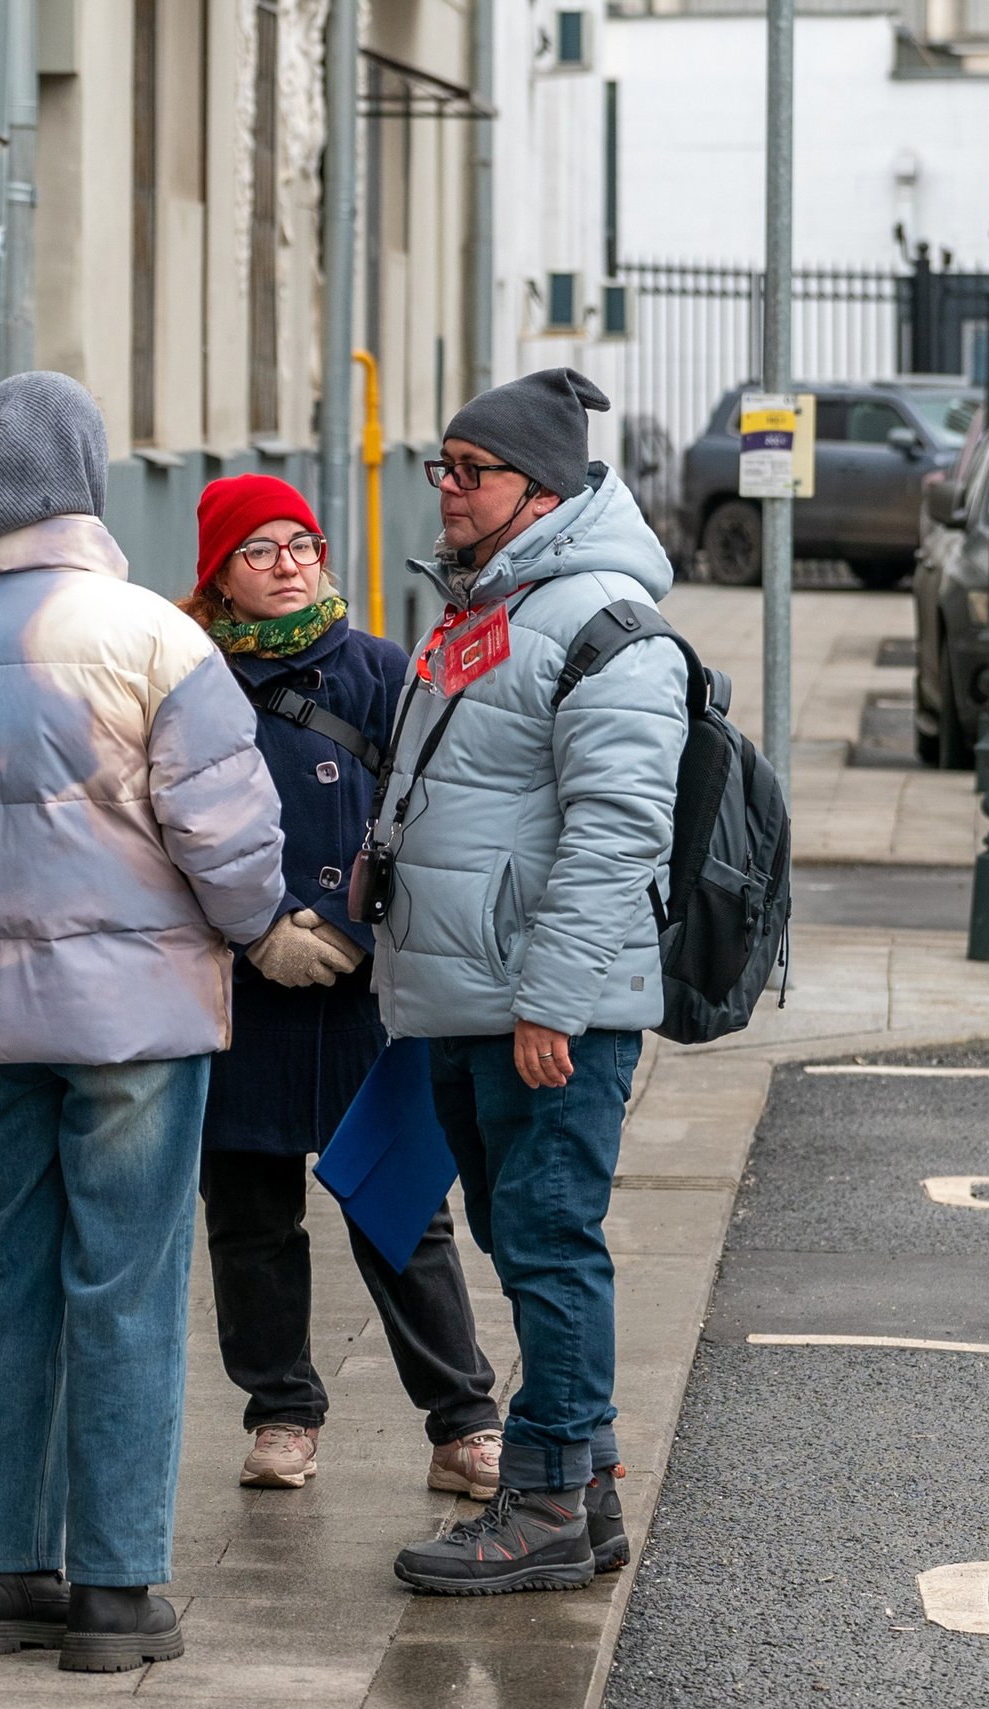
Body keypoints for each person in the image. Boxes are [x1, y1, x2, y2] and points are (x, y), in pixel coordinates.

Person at [0, 373, 286, 1673]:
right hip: (140, 1016)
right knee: (128, 1285)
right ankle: (115, 1591)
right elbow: (231, 835)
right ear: (86, 478)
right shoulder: (154, 635)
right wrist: (246, 922)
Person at [374, 369, 685, 1597]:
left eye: (471, 471)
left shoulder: (601, 619)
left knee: (550, 1245)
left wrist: (553, 999)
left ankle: (546, 1500)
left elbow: (618, 825)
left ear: (540, 490)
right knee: (520, 1237)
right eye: (440, 467)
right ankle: (587, 1488)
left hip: (542, 1007)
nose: (445, 490)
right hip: (472, 996)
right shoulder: (486, 604)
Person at [177, 475, 506, 1500]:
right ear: (219, 574)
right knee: (247, 1213)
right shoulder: (190, 679)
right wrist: (260, 921)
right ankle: (280, 1410)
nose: (288, 564)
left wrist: (366, 925)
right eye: (260, 549)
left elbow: (429, 806)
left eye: (302, 542)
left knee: (401, 1204)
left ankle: (462, 1421)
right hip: (242, 983)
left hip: (364, 984)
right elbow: (169, 822)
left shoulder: (375, 667)